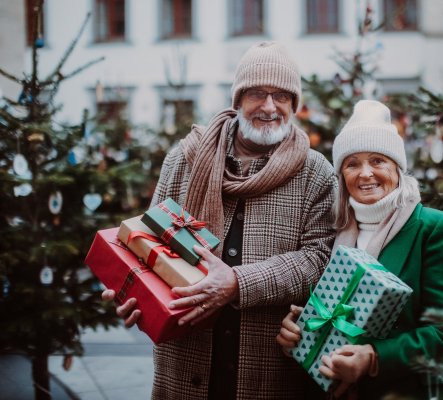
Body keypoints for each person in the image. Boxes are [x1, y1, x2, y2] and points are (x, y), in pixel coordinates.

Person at [102, 41, 338, 400]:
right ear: (238, 99)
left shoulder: (315, 172)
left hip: (270, 369)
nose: (269, 106)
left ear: (294, 104)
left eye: (282, 96)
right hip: (185, 359)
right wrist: (131, 291)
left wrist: (237, 282)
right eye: (257, 93)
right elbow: (145, 243)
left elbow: (319, 260)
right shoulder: (184, 159)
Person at [276, 100, 443, 400]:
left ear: (398, 168)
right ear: (342, 175)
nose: (365, 173)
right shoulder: (332, 230)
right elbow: (332, 309)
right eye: (352, 163)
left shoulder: (433, 228)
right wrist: (301, 330)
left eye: (378, 160)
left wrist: (375, 358)